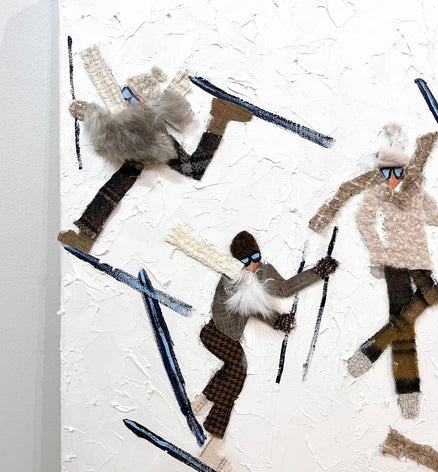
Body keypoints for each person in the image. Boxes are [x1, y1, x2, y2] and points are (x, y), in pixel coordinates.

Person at [309, 123, 438, 418]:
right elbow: (364, 220)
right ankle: (408, 395)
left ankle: (373, 346)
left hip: (419, 261)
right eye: (386, 173)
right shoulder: (378, 194)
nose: (392, 179)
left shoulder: (416, 193)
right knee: (405, 331)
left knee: (431, 295)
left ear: (405, 170)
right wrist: (378, 253)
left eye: (397, 172)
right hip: (393, 263)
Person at [58, 59, 252, 254]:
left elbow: (108, 134)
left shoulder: (147, 120)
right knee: (119, 184)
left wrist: (90, 114)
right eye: (125, 93)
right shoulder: (128, 116)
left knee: (185, 171)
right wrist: (90, 113)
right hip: (142, 147)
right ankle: (85, 235)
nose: (126, 100)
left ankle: (220, 117)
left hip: (153, 142)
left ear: (145, 103)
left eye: (132, 98)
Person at [190, 231, 338, 471]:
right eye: (245, 261)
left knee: (234, 372)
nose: (252, 265)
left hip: (229, 340)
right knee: (237, 372)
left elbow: (285, 289)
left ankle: (204, 402)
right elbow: (242, 307)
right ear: (237, 262)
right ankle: (212, 444)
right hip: (214, 333)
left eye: (255, 258)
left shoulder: (262, 271)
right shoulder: (230, 278)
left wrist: (317, 273)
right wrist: (274, 318)